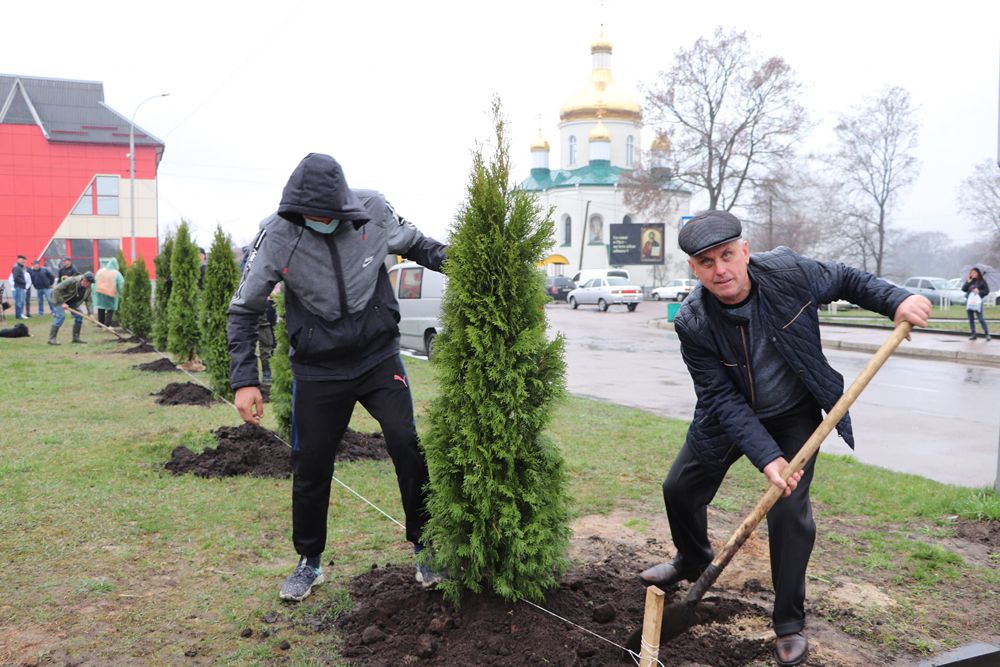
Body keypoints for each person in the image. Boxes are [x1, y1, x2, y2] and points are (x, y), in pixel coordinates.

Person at [638, 210, 931, 667]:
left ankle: (789, 622)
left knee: (789, 514)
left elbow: (848, 280)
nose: (721, 270)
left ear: (745, 252)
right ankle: (692, 558)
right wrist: (765, 456)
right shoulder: (693, 321)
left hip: (794, 414)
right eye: (707, 262)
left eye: (727, 255)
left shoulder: (789, 272)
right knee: (679, 487)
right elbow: (719, 396)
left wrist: (896, 300)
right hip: (729, 414)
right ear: (693, 269)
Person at [228, 153, 447, 602]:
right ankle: (309, 562)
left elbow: (421, 246)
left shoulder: (375, 211)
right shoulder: (276, 235)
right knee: (311, 463)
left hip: (377, 358)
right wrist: (244, 380)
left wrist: (479, 265)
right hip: (318, 368)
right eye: (310, 213)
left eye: (329, 213)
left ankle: (427, 545)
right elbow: (244, 309)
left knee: (405, 441)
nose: (320, 220)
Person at [50, 271, 95, 345]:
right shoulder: (72, 280)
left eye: (90, 283)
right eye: (88, 283)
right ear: (84, 280)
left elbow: (89, 301)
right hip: (59, 298)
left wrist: (91, 314)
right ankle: (52, 339)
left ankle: (76, 338)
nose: (89, 285)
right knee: (60, 317)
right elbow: (56, 290)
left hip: (72, 302)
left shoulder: (88, 288)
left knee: (79, 315)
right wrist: (62, 303)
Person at [93, 258, 125, 327]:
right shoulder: (116, 273)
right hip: (110, 293)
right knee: (110, 309)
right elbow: (121, 284)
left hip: (99, 292)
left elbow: (94, 281)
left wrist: (94, 291)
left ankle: (100, 323)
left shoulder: (100, 271)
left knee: (101, 307)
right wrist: (122, 294)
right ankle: (107, 324)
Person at [962, 268, 990, 341]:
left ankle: (987, 334)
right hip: (969, 302)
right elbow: (963, 289)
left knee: (980, 318)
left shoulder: (982, 281)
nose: (972, 274)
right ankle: (973, 334)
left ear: (978, 273)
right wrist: (968, 282)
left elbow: (987, 291)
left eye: (974, 272)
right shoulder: (970, 281)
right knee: (971, 319)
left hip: (977, 302)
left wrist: (979, 292)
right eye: (971, 273)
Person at [10, 255, 28, 320]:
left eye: (24, 259)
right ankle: (18, 316)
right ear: (18, 260)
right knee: (19, 302)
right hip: (19, 287)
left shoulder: (20, 267)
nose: (23, 260)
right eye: (21, 259)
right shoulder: (16, 267)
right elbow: (16, 277)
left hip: (21, 287)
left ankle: (19, 314)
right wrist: (23, 282)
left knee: (21, 301)